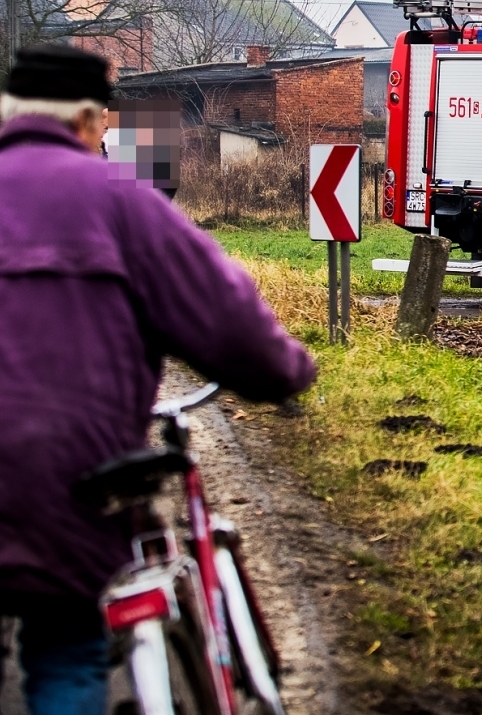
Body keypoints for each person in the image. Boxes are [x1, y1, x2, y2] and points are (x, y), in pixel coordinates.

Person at [0, 44, 316, 715]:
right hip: (62, 474)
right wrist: (286, 372)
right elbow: (226, 321)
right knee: (65, 644)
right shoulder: (118, 201)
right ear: (91, 123)